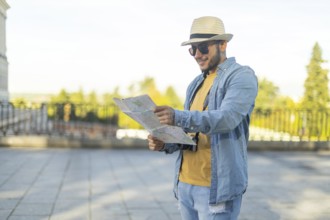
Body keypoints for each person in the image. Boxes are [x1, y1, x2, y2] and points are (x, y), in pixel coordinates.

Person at [147, 16, 258, 220]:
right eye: (193, 49)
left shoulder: (241, 76)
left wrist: (176, 116)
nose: (197, 54)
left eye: (203, 47)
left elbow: (226, 119)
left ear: (223, 44)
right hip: (185, 184)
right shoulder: (196, 83)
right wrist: (166, 143)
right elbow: (191, 133)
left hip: (216, 189)